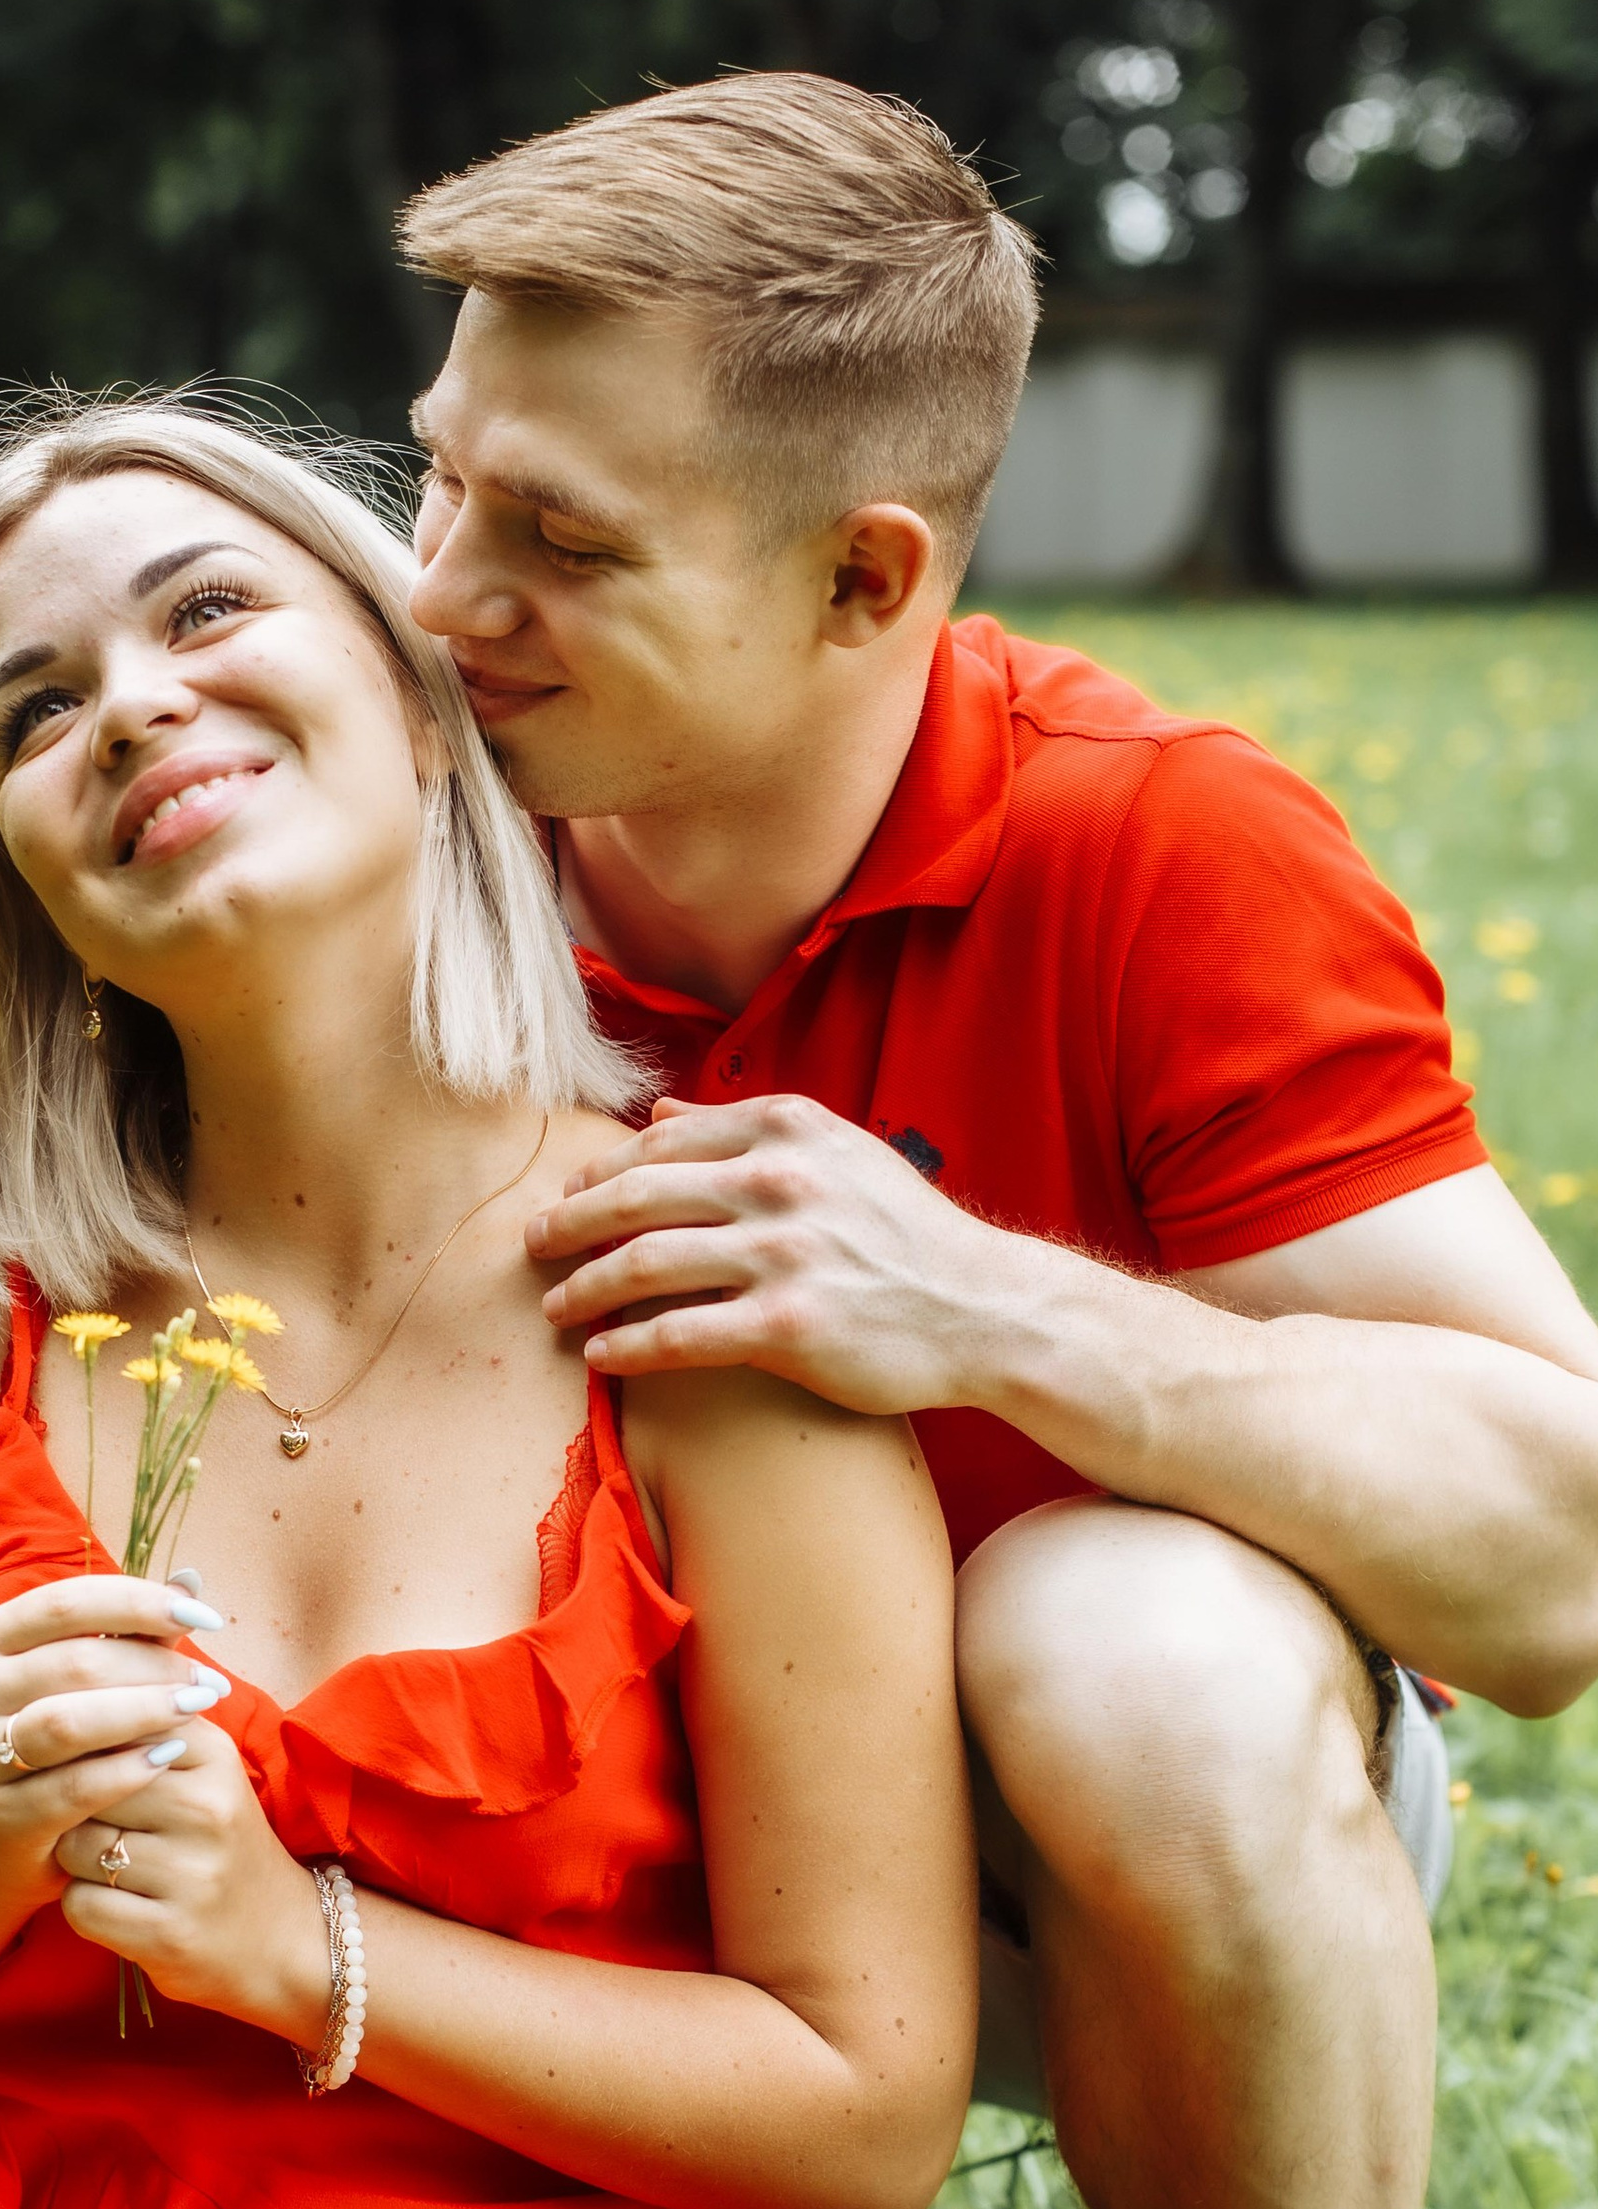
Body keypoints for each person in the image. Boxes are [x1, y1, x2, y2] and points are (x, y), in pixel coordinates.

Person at [396, 71, 1598, 2207]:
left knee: (1130, 1644)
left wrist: (984, 1307)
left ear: (866, 581)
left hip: (1044, 1846)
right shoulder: (362, 827)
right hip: (511, 1787)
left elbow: (1558, 1563)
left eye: (560, 543)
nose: (433, 598)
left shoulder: (1158, 846)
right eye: (442, 483)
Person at [0, 399, 979, 2207]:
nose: (135, 706)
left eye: (206, 613)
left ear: (418, 703)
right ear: (26, 885)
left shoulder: (696, 1282)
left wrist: (299, 1950)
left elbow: (861, 2117)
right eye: (36, 706)